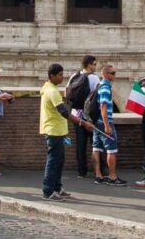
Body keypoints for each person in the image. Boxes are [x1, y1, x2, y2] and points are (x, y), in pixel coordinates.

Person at [39, 63, 94, 201]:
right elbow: (63, 112)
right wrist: (83, 122)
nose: (62, 78)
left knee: (59, 161)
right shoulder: (52, 91)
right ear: (52, 76)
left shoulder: (50, 88)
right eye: (60, 75)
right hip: (54, 130)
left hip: (57, 130)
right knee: (53, 161)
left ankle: (57, 188)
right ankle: (48, 191)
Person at [65, 55, 107, 179]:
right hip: (89, 116)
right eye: (94, 64)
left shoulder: (74, 76)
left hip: (76, 115)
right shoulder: (94, 78)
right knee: (96, 143)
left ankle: (81, 172)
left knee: (80, 144)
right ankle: (100, 170)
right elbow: (98, 97)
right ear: (88, 64)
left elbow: (66, 92)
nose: (96, 66)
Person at [92, 63, 127, 186]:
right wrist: (107, 125)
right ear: (105, 74)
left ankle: (98, 176)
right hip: (105, 123)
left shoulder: (99, 86)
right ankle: (112, 177)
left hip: (97, 122)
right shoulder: (105, 87)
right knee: (111, 150)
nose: (115, 76)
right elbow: (103, 106)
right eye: (113, 73)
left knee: (96, 148)